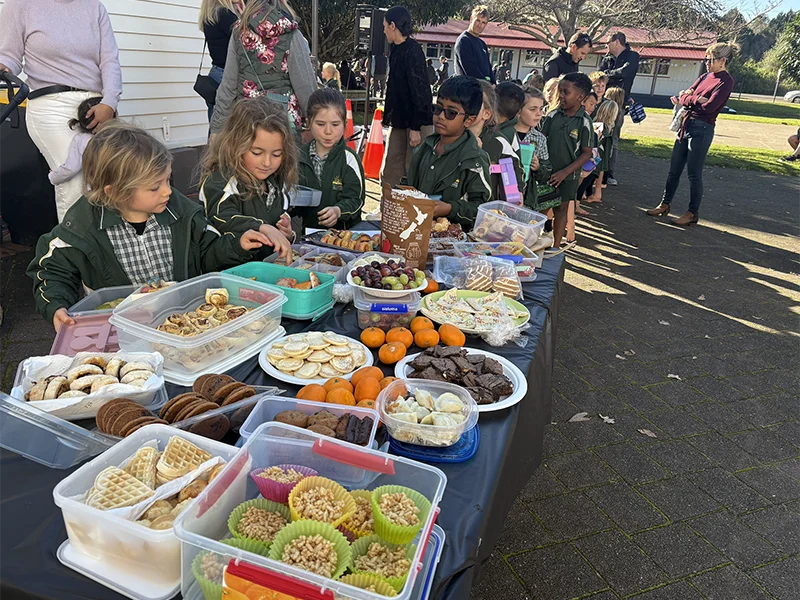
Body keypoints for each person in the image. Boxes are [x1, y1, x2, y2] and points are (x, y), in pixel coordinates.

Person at [28, 123, 271, 331]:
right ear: (115, 192)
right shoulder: (82, 227)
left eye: (167, 179)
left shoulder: (181, 212)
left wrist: (237, 246)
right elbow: (52, 271)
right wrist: (56, 305)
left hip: (183, 321)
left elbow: (207, 252)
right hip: (121, 329)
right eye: (154, 187)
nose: (167, 190)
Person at [0, 0, 122, 221]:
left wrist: (109, 103)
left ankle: (101, 247)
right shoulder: (20, 5)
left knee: (109, 178)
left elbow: (110, 59)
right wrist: (4, 65)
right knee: (75, 181)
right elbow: (8, 56)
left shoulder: (94, 7)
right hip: (51, 104)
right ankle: (72, 250)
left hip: (96, 105)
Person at [646, 42, 735, 226]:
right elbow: (683, 95)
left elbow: (709, 108)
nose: (707, 63)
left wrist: (688, 99)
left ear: (723, 60)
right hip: (685, 126)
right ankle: (665, 204)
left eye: (710, 60)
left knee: (694, 173)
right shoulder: (704, 76)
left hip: (702, 129)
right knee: (674, 170)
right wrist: (693, 99)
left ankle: (692, 212)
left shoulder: (726, 81)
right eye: (706, 59)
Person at [200, 96, 296, 258]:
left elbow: (278, 230)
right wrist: (262, 227)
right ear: (236, 145)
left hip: (267, 272)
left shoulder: (275, 184)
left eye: (276, 154)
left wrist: (287, 234)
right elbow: (222, 217)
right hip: (230, 274)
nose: (267, 162)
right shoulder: (220, 181)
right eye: (257, 153)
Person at [209, 0, 317, 135]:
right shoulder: (290, 32)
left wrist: (216, 128)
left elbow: (228, 86)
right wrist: (316, 121)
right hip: (284, 126)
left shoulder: (239, 31)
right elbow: (305, 87)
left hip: (247, 124)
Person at [407, 76, 491, 229]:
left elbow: (482, 211)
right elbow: (409, 184)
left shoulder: (475, 159)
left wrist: (450, 209)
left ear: (469, 120)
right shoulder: (423, 149)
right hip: (415, 231)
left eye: (451, 113)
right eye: (438, 108)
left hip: (455, 241)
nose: (440, 116)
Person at [380, 6, 434, 187]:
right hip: (399, 119)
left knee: (412, 168)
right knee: (392, 167)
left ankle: (411, 212)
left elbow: (421, 91)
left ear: (393, 25)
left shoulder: (413, 51)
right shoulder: (395, 49)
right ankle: (387, 206)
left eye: (385, 25)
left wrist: (416, 127)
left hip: (415, 122)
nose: (383, 30)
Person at [297, 88, 365, 230]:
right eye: (321, 124)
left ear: (344, 124)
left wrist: (338, 210)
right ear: (309, 123)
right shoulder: (298, 157)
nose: (328, 131)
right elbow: (293, 200)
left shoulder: (349, 159)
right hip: (309, 238)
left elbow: (356, 200)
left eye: (335, 124)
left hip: (345, 239)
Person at [540, 72, 593, 249]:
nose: (560, 96)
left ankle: (555, 247)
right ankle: (535, 245)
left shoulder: (585, 122)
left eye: (565, 92)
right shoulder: (552, 115)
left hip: (567, 177)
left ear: (580, 97)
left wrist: (565, 172)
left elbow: (586, 153)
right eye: (560, 91)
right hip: (545, 173)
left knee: (561, 210)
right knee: (540, 209)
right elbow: (540, 139)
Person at [471, 81, 524, 203]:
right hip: (450, 207)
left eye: (474, 103)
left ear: (487, 112)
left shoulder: (498, 141)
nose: (467, 108)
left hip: (487, 210)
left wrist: (515, 194)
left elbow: (513, 166)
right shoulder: (450, 137)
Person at [48, 97, 104, 187]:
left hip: (97, 191)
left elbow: (71, 168)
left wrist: (53, 177)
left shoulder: (82, 139)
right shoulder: (119, 137)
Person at [199, 0, 239, 121]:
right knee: (230, 126)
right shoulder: (224, 15)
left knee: (216, 124)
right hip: (227, 75)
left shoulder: (209, 16)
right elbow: (245, 37)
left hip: (216, 73)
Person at [515, 87, 552, 212]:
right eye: (533, 109)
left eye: (541, 109)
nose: (539, 113)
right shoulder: (505, 134)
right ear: (518, 111)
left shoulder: (540, 139)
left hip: (526, 199)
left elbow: (547, 172)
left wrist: (538, 167)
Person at [583, 98, 618, 205]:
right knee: (592, 175)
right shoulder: (609, 127)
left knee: (590, 175)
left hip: (597, 156)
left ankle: (593, 194)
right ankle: (591, 193)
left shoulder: (600, 127)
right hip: (600, 156)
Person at [453, 5, 494, 83]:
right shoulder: (464, 40)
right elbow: (470, 70)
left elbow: (489, 68)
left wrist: (493, 83)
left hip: (485, 90)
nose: (480, 25)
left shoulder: (482, 44)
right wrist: (487, 85)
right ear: (471, 19)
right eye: (477, 20)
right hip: (467, 90)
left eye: (483, 22)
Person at [599, 32, 640, 101]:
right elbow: (599, 75)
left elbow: (625, 72)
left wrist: (607, 74)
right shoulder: (607, 58)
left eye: (608, 42)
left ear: (616, 42)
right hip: (604, 99)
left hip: (620, 100)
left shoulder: (632, 56)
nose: (606, 45)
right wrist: (616, 73)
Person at [603, 86, 625, 187]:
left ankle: (608, 176)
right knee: (611, 156)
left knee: (609, 156)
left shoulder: (614, 111)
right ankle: (609, 175)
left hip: (610, 138)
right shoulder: (621, 111)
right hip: (614, 138)